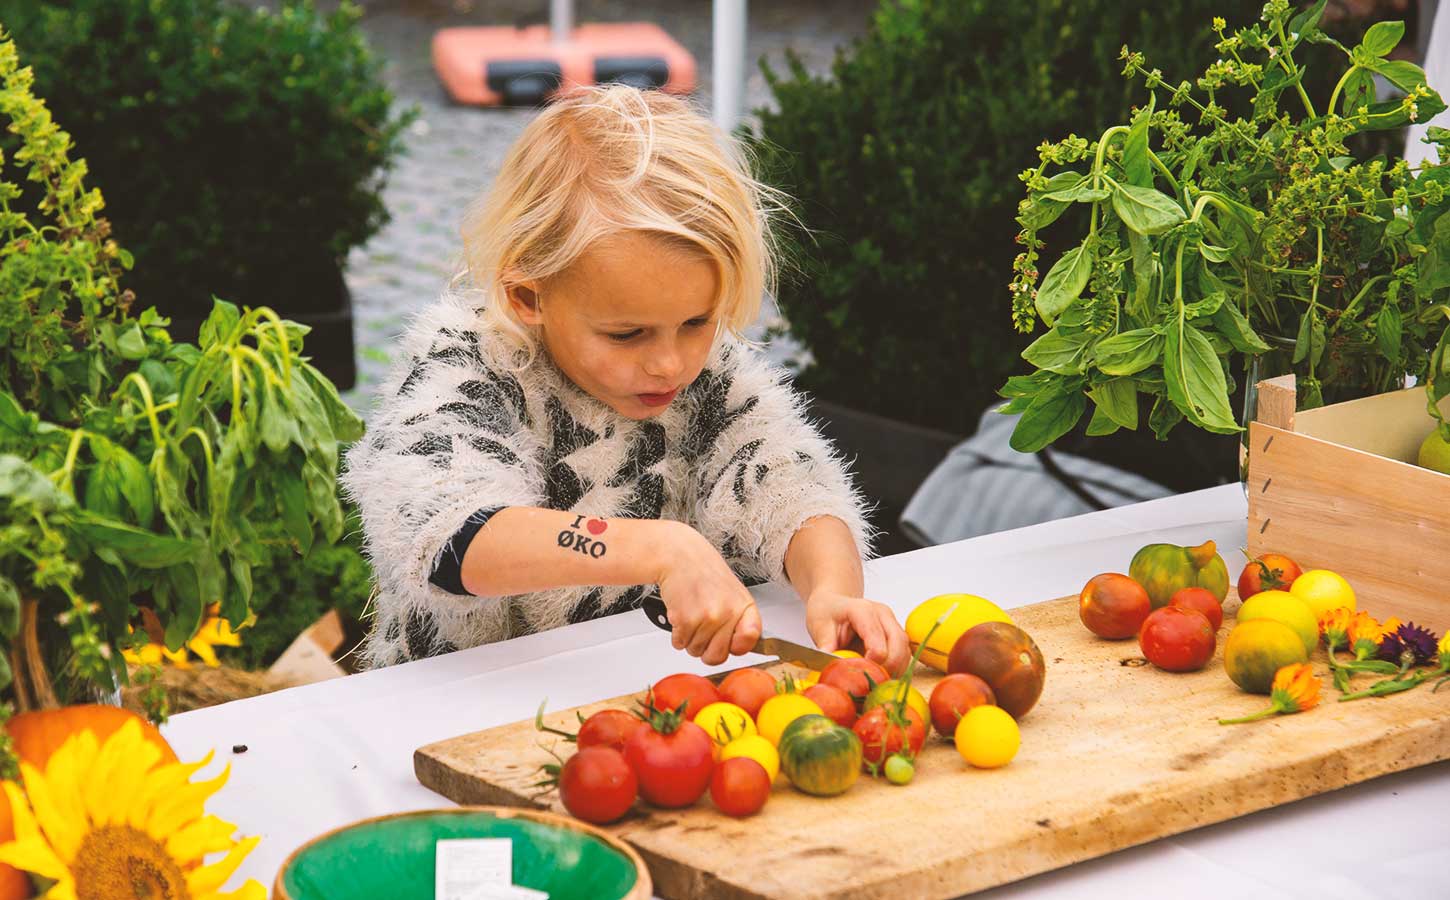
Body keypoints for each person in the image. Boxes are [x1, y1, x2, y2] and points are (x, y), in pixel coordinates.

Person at [342, 85, 910, 674]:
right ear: (527, 296)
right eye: (627, 334)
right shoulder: (462, 369)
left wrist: (833, 590)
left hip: (641, 691)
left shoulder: (712, 378)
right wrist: (661, 547)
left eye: (696, 322)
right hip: (461, 700)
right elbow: (450, 539)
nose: (669, 363)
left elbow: (792, 489)